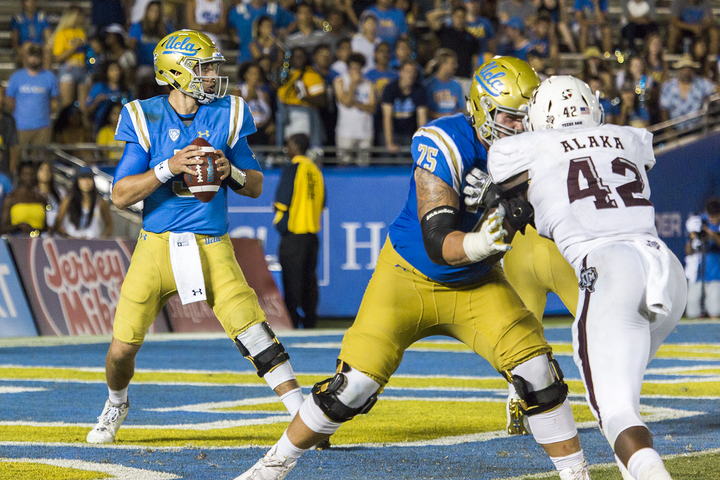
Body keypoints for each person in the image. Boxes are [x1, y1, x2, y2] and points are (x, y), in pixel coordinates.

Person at [236, 57, 592, 480]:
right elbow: (438, 241)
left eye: (525, 117)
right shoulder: (445, 140)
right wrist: (486, 236)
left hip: (478, 284)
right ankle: (271, 467)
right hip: (407, 277)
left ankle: (576, 473)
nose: (519, 127)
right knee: (351, 390)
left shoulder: (539, 147)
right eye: (509, 117)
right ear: (480, 109)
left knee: (539, 375)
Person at [85, 30, 306, 445]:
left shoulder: (228, 112)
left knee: (253, 329)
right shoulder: (145, 115)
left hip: (211, 242)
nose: (213, 74)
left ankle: (303, 413)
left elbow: (255, 184)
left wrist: (232, 173)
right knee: (120, 350)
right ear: (177, 72)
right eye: (204, 67)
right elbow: (119, 193)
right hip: (157, 246)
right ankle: (116, 402)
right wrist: (168, 168)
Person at [486, 74, 687, 480]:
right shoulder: (629, 135)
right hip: (665, 266)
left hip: (609, 267)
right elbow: (636, 154)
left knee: (615, 412)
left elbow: (504, 189)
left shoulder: (521, 147)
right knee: (621, 390)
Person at [273, 133, 325, 329]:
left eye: (288, 145)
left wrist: (279, 221)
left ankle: (293, 321)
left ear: (295, 146)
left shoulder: (293, 169)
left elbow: (282, 201)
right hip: (312, 234)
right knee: (310, 280)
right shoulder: (316, 171)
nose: (286, 149)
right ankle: (311, 320)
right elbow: (321, 203)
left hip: (294, 235)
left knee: (292, 281)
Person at [5, 43, 58, 148]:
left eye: (37, 56)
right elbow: (9, 99)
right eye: (31, 56)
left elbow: (54, 100)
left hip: (42, 127)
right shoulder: (16, 77)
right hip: (20, 127)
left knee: (41, 161)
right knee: (18, 160)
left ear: (41, 58)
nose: (34, 59)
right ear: (26, 57)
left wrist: (47, 112)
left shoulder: (49, 77)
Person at [276, 47, 327, 147]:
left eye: (301, 57)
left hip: (303, 115)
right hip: (286, 115)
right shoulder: (289, 75)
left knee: (300, 147)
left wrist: (304, 97)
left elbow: (322, 101)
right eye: (295, 57)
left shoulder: (311, 75)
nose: (298, 59)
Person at [334, 53, 376, 165]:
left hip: (365, 132)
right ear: (348, 68)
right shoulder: (340, 81)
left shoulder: (369, 84)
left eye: (358, 67)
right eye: (352, 67)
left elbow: (372, 108)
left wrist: (355, 103)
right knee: (344, 166)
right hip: (345, 133)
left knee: (363, 167)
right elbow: (346, 103)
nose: (355, 70)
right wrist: (353, 84)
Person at [659, 54, 718, 129]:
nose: (686, 72)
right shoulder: (668, 86)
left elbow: (716, 89)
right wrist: (668, 131)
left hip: (697, 129)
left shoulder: (700, 83)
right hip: (676, 129)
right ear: (679, 70)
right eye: (684, 69)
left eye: (689, 69)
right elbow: (664, 110)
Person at [684, 198, 720, 318]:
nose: (712, 219)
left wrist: (712, 234)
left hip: (715, 274)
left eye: (715, 216)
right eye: (710, 216)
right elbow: (688, 251)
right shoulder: (697, 223)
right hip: (697, 273)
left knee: (714, 311)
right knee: (692, 310)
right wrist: (692, 238)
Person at [228, 0, 295, 64]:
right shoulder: (238, 10)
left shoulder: (274, 9)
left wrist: (284, 32)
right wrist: (233, 35)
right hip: (245, 58)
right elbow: (228, 26)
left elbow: (294, 20)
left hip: (272, 61)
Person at [381, 60, 428, 151]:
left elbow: (422, 119)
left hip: (410, 133)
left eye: (413, 72)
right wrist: (389, 142)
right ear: (400, 73)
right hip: (392, 131)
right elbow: (387, 117)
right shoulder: (390, 89)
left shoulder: (420, 90)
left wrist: (421, 142)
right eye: (407, 71)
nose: (411, 74)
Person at [50, 6, 90, 109]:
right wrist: (73, 48)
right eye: (80, 16)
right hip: (68, 69)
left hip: (82, 69)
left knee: (84, 107)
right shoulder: (62, 33)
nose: (82, 18)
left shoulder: (81, 32)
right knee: (67, 106)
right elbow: (57, 58)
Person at [55, 168, 113, 239]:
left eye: (89, 178)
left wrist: (102, 239)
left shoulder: (100, 202)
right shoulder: (68, 200)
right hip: (71, 244)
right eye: (83, 178)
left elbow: (109, 225)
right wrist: (68, 236)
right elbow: (57, 224)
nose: (86, 182)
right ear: (77, 181)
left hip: (93, 245)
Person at [0, 161, 47, 236]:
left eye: (32, 174)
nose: (29, 177)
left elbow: (45, 227)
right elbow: (2, 228)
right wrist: (18, 226)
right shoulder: (11, 198)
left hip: (38, 242)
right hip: (17, 242)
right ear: (19, 176)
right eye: (25, 174)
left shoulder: (41, 199)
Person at [86, 60, 132, 135]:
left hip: (122, 126)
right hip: (100, 125)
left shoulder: (126, 90)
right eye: (112, 70)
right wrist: (97, 101)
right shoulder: (99, 87)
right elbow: (87, 110)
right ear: (106, 72)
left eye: (117, 70)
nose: (116, 73)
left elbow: (132, 110)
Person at [424, 49, 464, 120]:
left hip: (452, 126)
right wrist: (444, 118)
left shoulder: (457, 85)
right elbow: (425, 111)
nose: (456, 66)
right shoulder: (429, 85)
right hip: (434, 126)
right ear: (443, 64)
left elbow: (461, 109)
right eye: (453, 63)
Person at [10, 0, 51, 65]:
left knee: (47, 49)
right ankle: (27, 74)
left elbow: (48, 37)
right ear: (23, 3)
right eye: (28, 1)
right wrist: (18, 50)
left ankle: (47, 74)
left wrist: (47, 45)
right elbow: (14, 41)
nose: (31, 3)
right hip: (24, 48)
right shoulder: (18, 19)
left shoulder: (41, 17)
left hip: (39, 47)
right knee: (27, 46)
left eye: (33, 1)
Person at [35, 161, 65, 231]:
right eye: (42, 169)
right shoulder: (32, 193)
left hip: (56, 233)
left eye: (48, 170)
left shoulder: (60, 193)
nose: (45, 173)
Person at [0, 86, 19, 177]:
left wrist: (12, 168)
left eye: (2, 95)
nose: (1, 98)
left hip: (4, 171)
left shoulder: (9, 120)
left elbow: (13, 147)